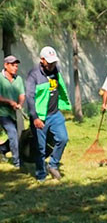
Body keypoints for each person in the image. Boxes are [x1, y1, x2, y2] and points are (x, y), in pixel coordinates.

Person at [26, 46, 71, 181]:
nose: (52, 64)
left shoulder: (56, 70)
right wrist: (35, 117)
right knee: (40, 147)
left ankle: (53, 165)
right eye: (49, 62)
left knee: (63, 138)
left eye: (54, 62)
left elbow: (59, 88)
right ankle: (41, 175)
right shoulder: (34, 74)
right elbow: (29, 97)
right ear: (42, 60)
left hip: (55, 114)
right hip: (40, 116)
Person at [0, 55, 25, 168]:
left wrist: (20, 103)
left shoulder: (18, 79)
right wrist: (9, 102)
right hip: (3, 113)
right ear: (6, 65)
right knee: (13, 134)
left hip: (15, 113)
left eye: (16, 66)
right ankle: (17, 162)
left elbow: (22, 94)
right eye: (13, 65)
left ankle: (1, 149)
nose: (15, 68)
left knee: (20, 136)